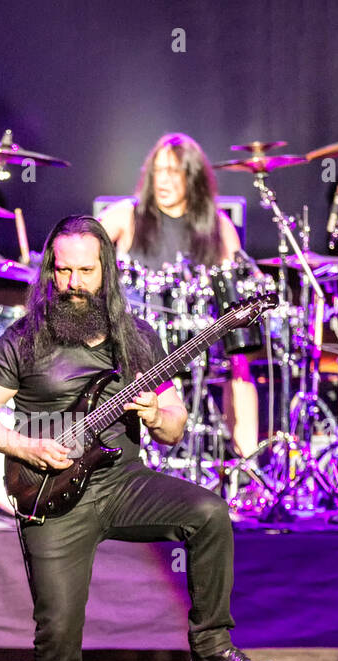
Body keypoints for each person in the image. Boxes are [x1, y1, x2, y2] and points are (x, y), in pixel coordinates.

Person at [0, 216, 278, 661]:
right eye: (62, 269)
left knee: (208, 513)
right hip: (49, 493)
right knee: (57, 631)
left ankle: (210, 651)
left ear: (106, 270)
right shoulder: (24, 338)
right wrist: (25, 447)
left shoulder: (138, 337)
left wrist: (158, 416)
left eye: (84, 270)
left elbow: (176, 429)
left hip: (122, 481)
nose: (73, 282)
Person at [99, 132, 260, 457]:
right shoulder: (126, 216)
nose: (163, 180)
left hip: (195, 339)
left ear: (193, 177)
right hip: (137, 340)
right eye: (158, 171)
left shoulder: (217, 225)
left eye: (173, 172)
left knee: (240, 360)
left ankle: (249, 466)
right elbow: (83, 249)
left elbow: (233, 289)